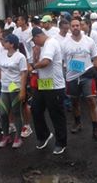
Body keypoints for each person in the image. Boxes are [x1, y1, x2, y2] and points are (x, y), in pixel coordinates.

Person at [62, 19, 97, 141]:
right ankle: (77, 123)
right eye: (73, 26)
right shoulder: (64, 43)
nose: (76, 27)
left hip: (87, 74)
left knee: (92, 101)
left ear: (81, 26)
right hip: (72, 77)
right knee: (75, 102)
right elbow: (60, 62)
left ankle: (96, 129)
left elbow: (96, 59)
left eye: (78, 25)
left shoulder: (89, 41)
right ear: (70, 28)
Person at [31, 27, 67, 155]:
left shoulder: (51, 43)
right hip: (43, 83)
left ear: (37, 37)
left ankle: (61, 142)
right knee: (35, 109)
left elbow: (46, 62)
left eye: (35, 41)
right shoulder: (43, 46)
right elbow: (40, 62)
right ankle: (44, 135)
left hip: (55, 86)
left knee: (56, 114)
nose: (35, 44)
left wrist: (32, 66)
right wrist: (35, 55)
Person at [0, 34, 28, 149]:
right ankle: (6, 136)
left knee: (16, 112)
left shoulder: (20, 57)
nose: (3, 43)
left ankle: (18, 137)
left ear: (12, 44)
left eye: (6, 41)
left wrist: (23, 89)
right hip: (4, 87)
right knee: (3, 113)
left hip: (15, 87)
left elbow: (24, 73)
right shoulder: (2, 54)